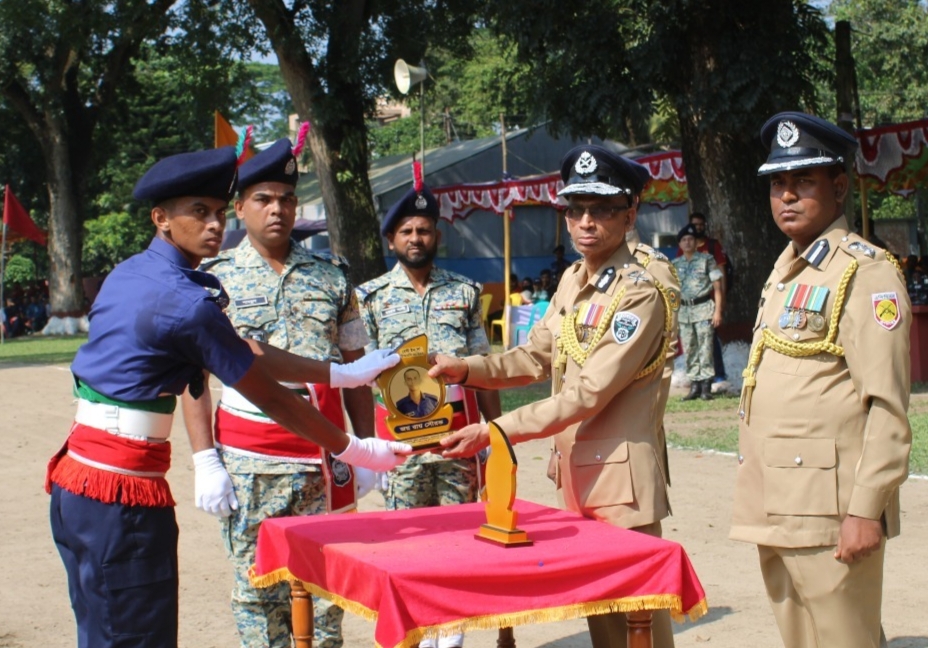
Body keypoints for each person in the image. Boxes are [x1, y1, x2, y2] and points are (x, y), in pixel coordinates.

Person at [46, 146, 410, 648]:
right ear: (161, 218)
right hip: (123, 490)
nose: (214, 224)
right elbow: (270, 395)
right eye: (199, 211)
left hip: (83, 479)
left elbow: (243, 348)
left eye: (218, 212)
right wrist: (356, 449)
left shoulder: (134, 273)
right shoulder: (187, 300)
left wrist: (338, 374)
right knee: (137, 635)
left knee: (103, 628)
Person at [430, 144, 675, 648]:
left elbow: (588, 393)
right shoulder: (574, 279)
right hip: (579, 475)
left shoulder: (639, 291)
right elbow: (533, 357)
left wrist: (497, 429)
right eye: (575, 209)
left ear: (629, 215)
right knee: (604, 622)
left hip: (621, 482)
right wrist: (467, 369)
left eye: (601, 209)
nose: (586, 221)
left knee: (636, 626)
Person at [180, 138, 372, 648]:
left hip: (324, 460)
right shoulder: (212, 280)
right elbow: (193, 378)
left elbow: (355, 367)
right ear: (240, 207)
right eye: (263, 199)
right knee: (258, 592)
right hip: (251, 462)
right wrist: (205, 459)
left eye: (287, 198)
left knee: (327, 594)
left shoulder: (333, 278)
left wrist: (365, 446)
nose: (277, 209)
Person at [733, 112, 912, 648]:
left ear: (838, 187)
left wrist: (866, 510)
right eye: (778, 184)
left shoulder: (865, 271)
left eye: (803, 181)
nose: (787, 196)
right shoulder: (787, 268)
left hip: (830, 511)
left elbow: (887, 407)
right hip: (778, 499)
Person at [356, 163, 502, 648]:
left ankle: (452, 634)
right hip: (401, 444)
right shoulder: (370, 298)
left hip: (457, 437)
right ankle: (414, 633)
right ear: (391, 239)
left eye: (423, 230)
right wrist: (365, 446)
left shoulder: (464, 292)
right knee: (409, 542)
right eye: (406, 232)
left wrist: (497, 435)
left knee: (460, 538)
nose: (416, 238)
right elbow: (360, 377)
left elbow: (484, 368)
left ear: (436, 235)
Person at [626, 225, 681, 486]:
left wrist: (652, 409)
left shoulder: (652, 265)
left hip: (638, 387)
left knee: (639, 472)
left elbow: (666, 341)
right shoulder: (587, 268)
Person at [673, 223, 724, 401]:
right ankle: (694, 385)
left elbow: (717, 287)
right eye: (684, 240)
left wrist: (718, 311)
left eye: (690, 239)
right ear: (680, 244)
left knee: (705, 348)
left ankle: (706, 387)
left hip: (703, 310)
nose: (687, 242)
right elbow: (672, 292)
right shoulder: (675, 264)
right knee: (689, 349)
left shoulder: (706, 260)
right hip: (684, 312)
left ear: (696, 243)